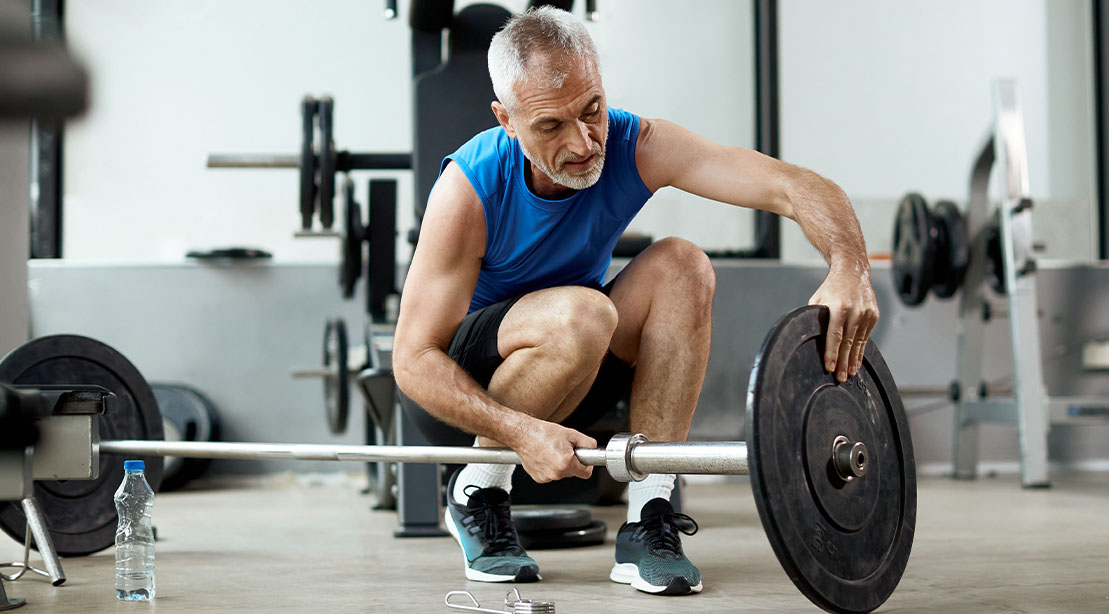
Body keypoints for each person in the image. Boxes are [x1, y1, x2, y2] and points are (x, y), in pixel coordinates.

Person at [393, 6, 878, 597]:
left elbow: (793, 184)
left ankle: (650, 515)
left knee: (683, 264)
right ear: (507, 121)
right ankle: (479, 488)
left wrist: (849, 267)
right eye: (551, 126)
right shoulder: (469, 187)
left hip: (576, 370)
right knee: (585, 313)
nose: (582, 142)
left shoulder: (637, 144)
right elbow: (412, 361)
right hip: (465, 393)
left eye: (591, 109)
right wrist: (516, 431)